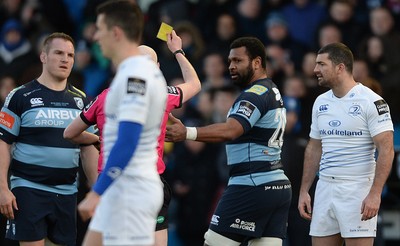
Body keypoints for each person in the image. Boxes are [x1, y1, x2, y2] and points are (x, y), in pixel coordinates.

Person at [64, 30, 201, 245]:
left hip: (119, 183)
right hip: (149, 180)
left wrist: (95, 140)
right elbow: (195, 84)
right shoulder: (164, 94)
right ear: (157, 68)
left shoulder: (104, 96)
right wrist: (178, 51)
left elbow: (70, 133)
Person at [166, 36, 292, 246]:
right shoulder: (272, 91)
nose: (231, 67)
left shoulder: (253, 95)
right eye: (230, 61)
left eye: (238, 61)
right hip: (277, 187)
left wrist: (186, 132)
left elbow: (231, 130)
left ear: (257, 62)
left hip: (251, 184)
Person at [76, 1, 168, 245]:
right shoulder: (133, 72)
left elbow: (128, 141)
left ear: (115, 32)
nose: (95, 36)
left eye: (99, 28)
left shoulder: (134, 76)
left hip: (131, 190)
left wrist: (97, 191)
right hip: (122, 187)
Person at [0, 32, 98, 246]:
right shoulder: (20, 96)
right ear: (43, 56)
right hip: (28, 189)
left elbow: (89, 146)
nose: (65, 59)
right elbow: (3, 143)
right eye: (59, 53)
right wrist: (2, 188)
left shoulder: (81, 100)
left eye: (70, 55)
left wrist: (98, 189)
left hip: (67, 192)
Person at [297, 42, 394, 246]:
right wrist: (305, 190)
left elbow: (386, 149)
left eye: (322, 64)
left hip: (357, 189)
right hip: (325, 187)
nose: (315, 70)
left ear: (340, 67)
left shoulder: (372, 101)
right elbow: (314, 147)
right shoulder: (320, 102)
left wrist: (375, 194)